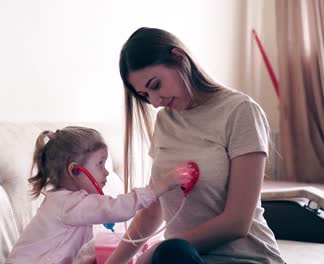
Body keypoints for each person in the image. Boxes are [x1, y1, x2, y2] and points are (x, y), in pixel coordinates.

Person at [105, 27, 285, 264]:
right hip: (182, 258)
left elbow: (237, 222)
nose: (155, 102)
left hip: (245, 259)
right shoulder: (165, 121)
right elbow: (152, 211)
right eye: (145, 95)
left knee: (171, 253)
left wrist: (161, 249)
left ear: (179, 59)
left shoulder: (240, 111)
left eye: (156, 85)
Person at [5, 126, 194, 264]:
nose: (106, 173)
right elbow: (118, 208)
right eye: (100, 163)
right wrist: (161, 186)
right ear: (75, 170)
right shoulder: (67, 203)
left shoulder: (66, 202)